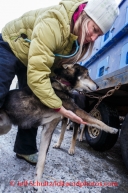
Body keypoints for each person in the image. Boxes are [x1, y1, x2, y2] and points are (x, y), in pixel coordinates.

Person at [0, 0, 119, 165]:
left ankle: (24, 149)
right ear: (85, 17)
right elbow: (38, 74)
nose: (93, 38)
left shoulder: (75, 39)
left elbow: (50, 66)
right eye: (94, 30)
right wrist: (58, 106)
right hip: (12, 45)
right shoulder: (54, 23)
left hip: (34, 57)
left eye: (99, 35)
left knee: (38, 100)